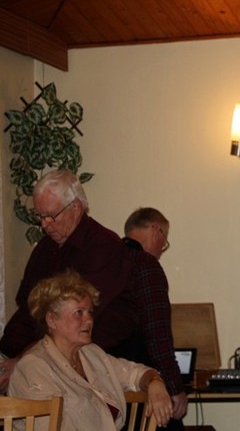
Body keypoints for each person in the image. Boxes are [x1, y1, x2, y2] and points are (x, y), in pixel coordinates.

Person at [0, 169, 133, 390]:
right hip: (43, 357)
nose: (44, 224)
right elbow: (27, 309)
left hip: (92, 365)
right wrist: (6, 354)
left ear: (76, 208)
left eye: (51, 215)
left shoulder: (104, 245)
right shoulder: (43, 250)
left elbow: (74, 322)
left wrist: (24, 362)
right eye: (40, 216)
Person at [8, 270, 173, 430]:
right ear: (51, 319)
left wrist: (155, 382)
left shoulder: (91, 354)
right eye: (79, 313)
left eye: (90, 312)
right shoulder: (33, 367)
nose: (89, 320)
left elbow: (134, 373)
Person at [122, 207, 188, 429]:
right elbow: (157, 334)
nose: (161, 251)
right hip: (143, 384)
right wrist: (175, 388)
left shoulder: (107, 263)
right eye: (164, 241)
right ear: (154, 230)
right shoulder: (146, 266)